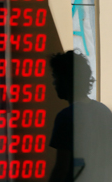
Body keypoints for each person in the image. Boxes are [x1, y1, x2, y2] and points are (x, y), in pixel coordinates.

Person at [48, 50, 112, 182]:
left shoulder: (66, 117)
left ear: (66, 79)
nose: (54, 83)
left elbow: (61, 169)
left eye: (56, 77)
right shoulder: (104, 112)